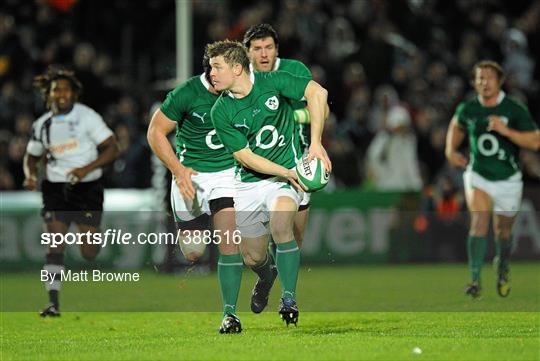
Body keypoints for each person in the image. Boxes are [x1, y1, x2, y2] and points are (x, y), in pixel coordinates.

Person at [207, 40, 331, 326]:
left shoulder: (274, 82)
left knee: (281, 225)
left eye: (217, 67)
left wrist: (314, 145)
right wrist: (286, 172)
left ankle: (289, 298)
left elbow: (318, 92)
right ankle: (267, 273)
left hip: (284, 179)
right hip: (250, 183)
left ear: (237, 68)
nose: (211, 74)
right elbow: (245, 157)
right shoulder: (221, 111)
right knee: (252, 257)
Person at [147, 55, 243, 334]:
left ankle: (230, 315)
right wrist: (178, 171)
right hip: (191, 177)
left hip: (226, 175)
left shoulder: (239, 91)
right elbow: (155, 132)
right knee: (193, 252)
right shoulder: (186, 93)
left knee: (229, 242)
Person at [243, 23, 326, 314]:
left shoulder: (293, 71)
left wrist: (293, 118)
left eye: (268, 47)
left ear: (277, 50)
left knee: (292, 234)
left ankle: (287, 296)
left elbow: (321, 106)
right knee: (252, 253)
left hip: (298, 161)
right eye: (257, 48)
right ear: (247, 52)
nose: (263, 54)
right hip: (253, 168)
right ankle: (266, 279)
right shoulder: (241, 79)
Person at [23, 66, 119, 317]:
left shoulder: (87, 117)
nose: (61, 93)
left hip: (88, 187)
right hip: (56, 188)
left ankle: (93, 234)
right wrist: (30, 175)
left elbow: (111, 148)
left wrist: (86, 169)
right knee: (54, 243)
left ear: (74, 93)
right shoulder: (42, 124)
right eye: (57, 89)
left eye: (66, 89)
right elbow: (31, 157)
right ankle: (53, 302)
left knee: (89, 252)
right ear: (49, 94)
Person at [445, 60, 539, 298]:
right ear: (474, 83)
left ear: (500, 81)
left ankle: (503, 266)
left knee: (503, 233)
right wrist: (450, 150)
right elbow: (456, 125)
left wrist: (507, 131)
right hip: (479, 175)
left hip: (508, 179)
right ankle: (475, 279)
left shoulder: (513, 109)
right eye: (479, 78)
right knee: (479, 221)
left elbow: (535, 141)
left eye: (489, 78)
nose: (484, 82)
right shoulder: (469, 108)